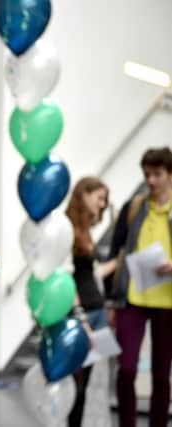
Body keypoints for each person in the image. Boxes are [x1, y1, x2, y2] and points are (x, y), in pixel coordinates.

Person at [108, 146, 172, 427]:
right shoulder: (133, 208)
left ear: (169, 174)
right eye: (147, 174)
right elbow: (115, 252)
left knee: (161, 374)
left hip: (167, 303)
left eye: (157, 174)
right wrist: (112, 301)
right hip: (131, 299)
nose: (150, 181)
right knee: (126, 370)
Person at [64, 176, 117, 427]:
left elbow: (91, 274)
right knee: (76, 385)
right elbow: (66, 278)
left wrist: (119, 261)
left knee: (89, 386)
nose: (103, 203)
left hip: (96, 311)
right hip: (82, 315)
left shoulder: (86, 231)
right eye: (100, 197)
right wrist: (80, 317)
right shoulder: (65, 229)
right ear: (83, 194)